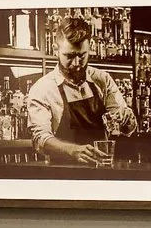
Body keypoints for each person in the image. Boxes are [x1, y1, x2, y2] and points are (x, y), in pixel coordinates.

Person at [23, 15, 130, 168]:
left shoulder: (102, 79)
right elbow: (40, 138)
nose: (77, 64)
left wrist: (128, 120)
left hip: (103, 171)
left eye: (82, 56)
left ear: (90, 49)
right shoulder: (42, 89)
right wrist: (72, 151)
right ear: (55, 50)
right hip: (62, 174)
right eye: (70, 56)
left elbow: (123, 126)